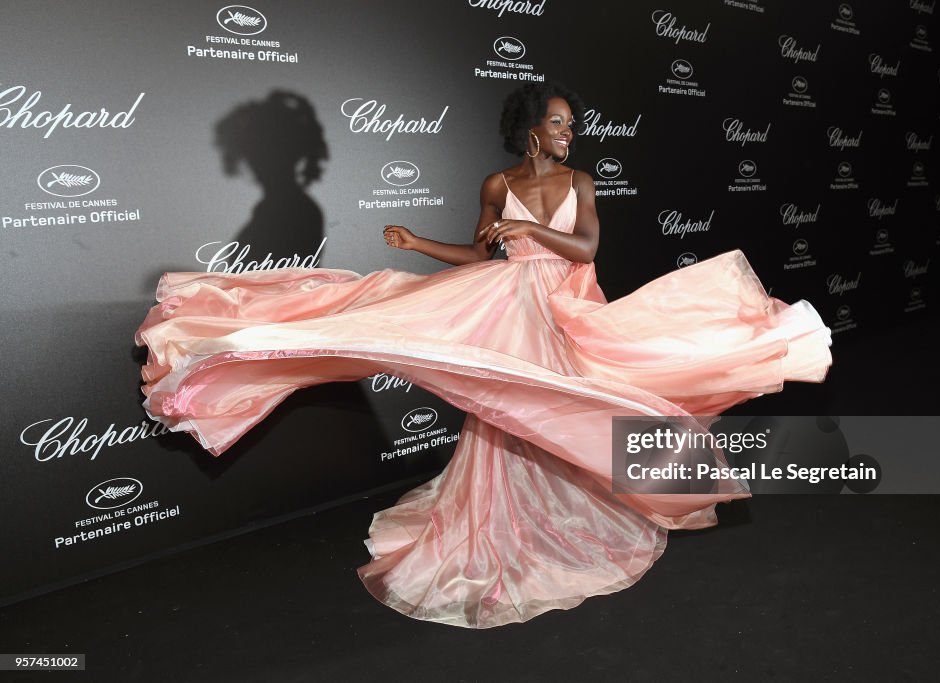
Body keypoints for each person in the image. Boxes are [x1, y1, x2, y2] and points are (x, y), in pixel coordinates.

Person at [135, 83, 833, 629]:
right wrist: (417, 246)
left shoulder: (579, 184)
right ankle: (231, 348)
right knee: (498, 406)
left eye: (571, 124)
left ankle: (576, 514)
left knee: (561, 406)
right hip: (505, 302)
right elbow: (478, 251)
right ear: (532, 129)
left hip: (559, 309)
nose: (569, 132)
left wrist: (525, 227)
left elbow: (586, 249)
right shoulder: (497, 184)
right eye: (559, 123)